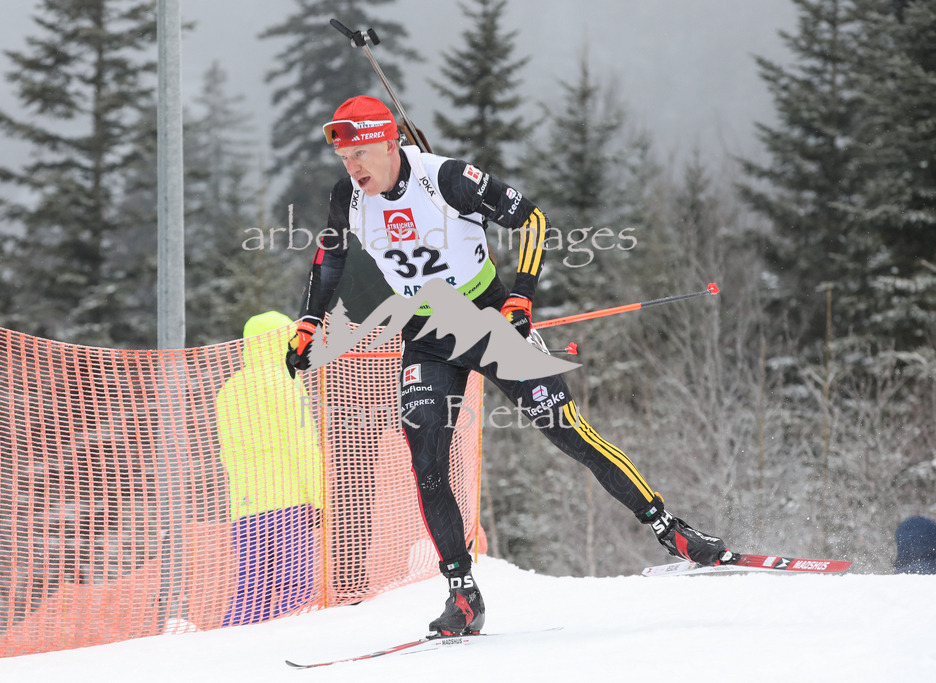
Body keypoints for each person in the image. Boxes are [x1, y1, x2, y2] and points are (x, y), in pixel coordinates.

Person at [284, 95, 733, 636]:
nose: (352, 169)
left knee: (568, 433)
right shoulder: (347, 198)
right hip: (426, 337)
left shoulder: (447, 178)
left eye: (359, 154)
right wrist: (310, 322)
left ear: (387, 141)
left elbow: (533, 219)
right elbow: (329, 255)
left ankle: (673, 531)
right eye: (344, 159)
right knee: (426, 461)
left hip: (490, 319)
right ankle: (463, 593)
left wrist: (521, 297)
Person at [217, 311, 324, 625]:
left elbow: (229, 453)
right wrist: (318, 499)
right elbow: (302, 446)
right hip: (288, 502)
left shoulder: (229, 389)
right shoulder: (286, 383)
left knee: (251, 589)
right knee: (297, 585)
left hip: (245, 507)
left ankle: (229, 647)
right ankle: (286, 646)